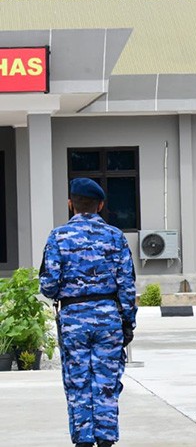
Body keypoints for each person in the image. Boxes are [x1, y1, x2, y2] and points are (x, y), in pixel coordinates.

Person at [39, 178, 136, 447]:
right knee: (106, 383)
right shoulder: (116, 237)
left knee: (77, 382)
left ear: (71, 204)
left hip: (73, 320)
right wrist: (128, 322)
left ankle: (83, 440)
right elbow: (127, 286)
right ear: (100, 205)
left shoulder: (58, 237)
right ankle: (106, 440)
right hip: (108, 318)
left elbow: (48, 286)